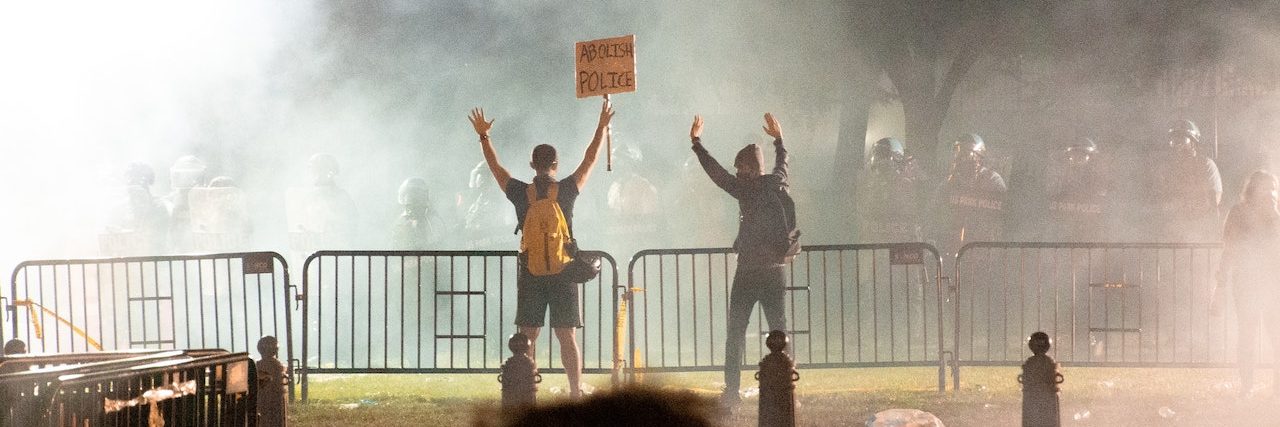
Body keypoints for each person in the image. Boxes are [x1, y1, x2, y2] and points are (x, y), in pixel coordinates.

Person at [466, 97, 614, 399]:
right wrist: (601, 127)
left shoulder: (522, 192)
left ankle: (526, 391)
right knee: (567, 337)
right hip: (564, 271)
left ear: (532, 164)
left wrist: (484, 136)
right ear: (555, 165)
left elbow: (495, 168)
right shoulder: (568, 190)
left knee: (528, 336)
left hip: (531, 271)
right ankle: (575, 392)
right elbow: (589, 159)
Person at [687, 112, 792, 406]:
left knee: (735, 335)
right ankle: (786, 390)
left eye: (740, 167)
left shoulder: (745, 190)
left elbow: (716, 173)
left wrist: (697, 143)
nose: (735, 172)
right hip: (776, 271)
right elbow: (783, 164)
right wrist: (780, 140)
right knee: (779, 333)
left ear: (748, 169)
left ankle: (731, 392)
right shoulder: (777, 183)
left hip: (748, 273)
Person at [1211, 170, 1280, 396]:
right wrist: (1220, 287)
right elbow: (1229, 251)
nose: (1271, 192)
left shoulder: (1277, 215)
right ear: (1252, 190)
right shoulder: (1239, 213)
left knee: (1277, 336)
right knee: (1247, 335)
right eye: (1266, 188)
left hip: (1273, 283)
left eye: (1273, 188)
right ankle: (1247, 386)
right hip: (1247, 282)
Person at [931, 133, 1007, 256]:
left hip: (984, 248)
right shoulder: (949, 183)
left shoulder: (992, 180)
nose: (961, 159)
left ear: (978, 156)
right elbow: (935, 212)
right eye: (958, 155)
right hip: (954, 248)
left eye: (965, 155)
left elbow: (1001, 213)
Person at [1150, 119, 1222, 242]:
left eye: (1183, 140)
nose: (1178, 145)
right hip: (1171, 233)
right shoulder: (1167, 170)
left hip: (1201, 232)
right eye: (1174, 141)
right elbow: (1160, 199)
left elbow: (1213, 199)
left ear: (1193, 143)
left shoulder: (1205, 165)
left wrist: (1190, 215)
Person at [856, 137, 924, 243]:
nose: (879, 160)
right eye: (877, 154)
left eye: (883, 154)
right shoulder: (869, 187)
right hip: (875, 243)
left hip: (901, 244)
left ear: (896, 158)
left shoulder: (906, 186)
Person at [1045, 137, 1110, 242]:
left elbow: (1103, 213)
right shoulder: (1059, 180)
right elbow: (1052, 215)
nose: (1077, 159)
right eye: (1073, 155)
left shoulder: (1099, 182)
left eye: (1082, 155)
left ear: (1090, 158)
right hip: (1060, 241)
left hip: (1091, 240)